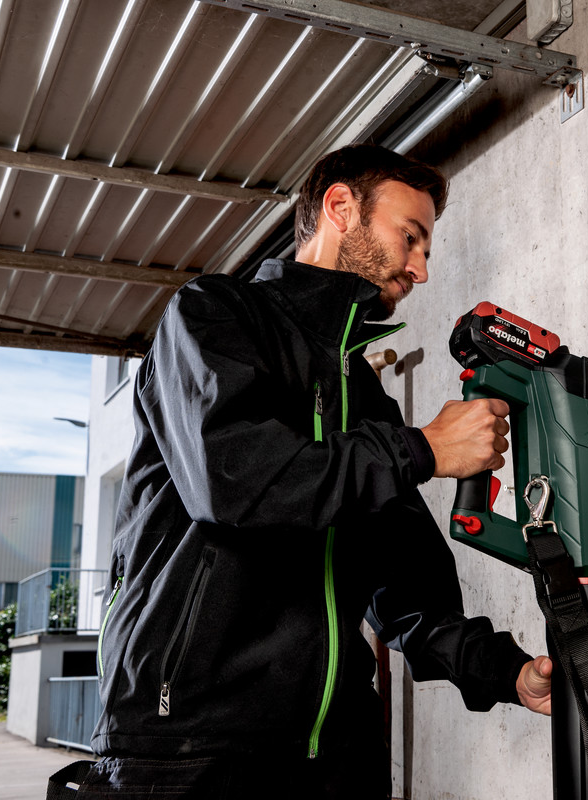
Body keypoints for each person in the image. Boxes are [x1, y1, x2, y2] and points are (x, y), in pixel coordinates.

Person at [71, 145, 555, 798]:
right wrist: (422, 450)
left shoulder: (365, 398)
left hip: (334, 756)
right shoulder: (212, 317)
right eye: (410, 237)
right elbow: (237, 483)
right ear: (340, 207)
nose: (420, 269)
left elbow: (407, 589)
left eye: (426, 250)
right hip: (189, 747)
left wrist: (508, 673)